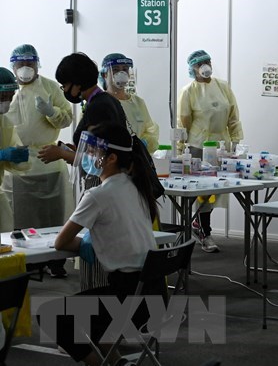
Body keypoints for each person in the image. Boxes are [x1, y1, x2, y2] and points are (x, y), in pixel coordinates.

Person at [42, 122, 164, 366]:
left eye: (92, 152)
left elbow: (61, 242)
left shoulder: (98, 195)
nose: (88, 157)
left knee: (51, 314)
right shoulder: (136, 187)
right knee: (92, 314)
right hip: (155, 295)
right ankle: (117, 362)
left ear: (111, 158)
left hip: (128, 299)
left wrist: (85, 245)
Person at [37, 52, 127, 290]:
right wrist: (75, 149)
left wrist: (63, 155)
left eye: (65, 84)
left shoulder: (100, 106)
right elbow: (97, 148)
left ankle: (100, 309)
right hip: (102, 181)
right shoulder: (101, 102)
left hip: (100, 183)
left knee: (97, 251)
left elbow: (101, 160)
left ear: (76, 83)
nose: (64, 89)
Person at [3, 44, 74, 278]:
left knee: (52, 218)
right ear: (13, 66)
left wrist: (50, 112)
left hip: (48, 160)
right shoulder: (7, 89)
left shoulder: (50, 88)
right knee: (20, 220)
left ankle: (55, 261)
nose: (25, 69)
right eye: (21, 64)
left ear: (37, 64)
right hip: (16, 166)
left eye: (30, 64)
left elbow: (66, 120)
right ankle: (29, 263)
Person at [178, 50, 243, 252]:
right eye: (200, 64)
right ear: (192, 68)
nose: (205, 66)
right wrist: (181, 149)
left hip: (220, 145)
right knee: (201, 192)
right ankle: (203, 230)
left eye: (207, 62)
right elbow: (184, 122)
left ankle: (199, 225)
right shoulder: (189, 91)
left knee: (214, 192)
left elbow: (233, 116)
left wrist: (235, 141)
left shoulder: (223, 86)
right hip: (198, 145)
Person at [99, 53, 159, 154]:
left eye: (125, 69)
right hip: (109, 161)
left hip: (136, 160)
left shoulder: (138, 102)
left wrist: (143, 143)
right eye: (116, 70)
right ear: (104, 74)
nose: (121, 73)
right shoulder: (98, 103)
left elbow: (150, 130)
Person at [0, 68, 29, 232]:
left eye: (11, 96)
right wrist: (2, 154)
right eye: (3, 96)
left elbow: (11, 147)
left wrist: (17, 157)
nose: (7, 101)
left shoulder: (4, 121)